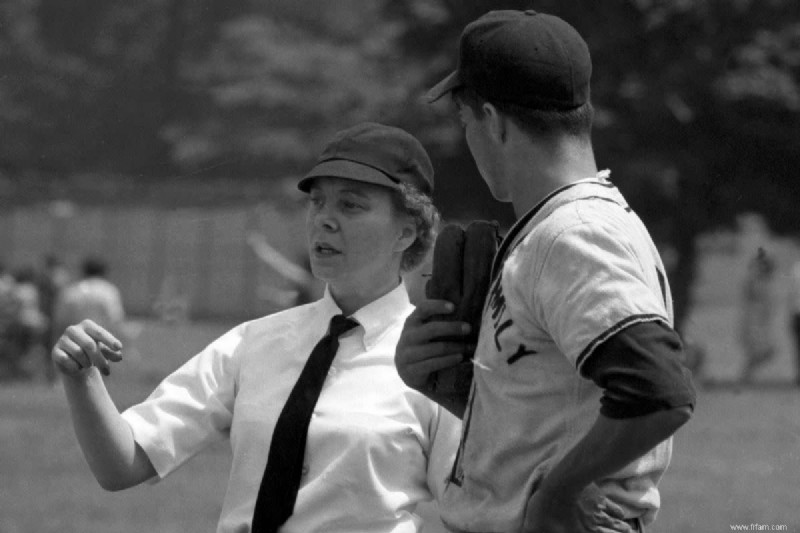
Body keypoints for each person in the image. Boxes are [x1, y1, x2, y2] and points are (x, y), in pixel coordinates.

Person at [51, 122, 461, 533]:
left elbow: (477, 510)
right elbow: (123, 464)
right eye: (317, 202)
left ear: (408, 231)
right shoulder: (256, 341)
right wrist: (81, 377)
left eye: (350, 206)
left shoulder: (436, 360)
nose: (324, 220)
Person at [395, 10, 696, 533]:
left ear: (492, 120)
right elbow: (557, 421)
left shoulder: (572, 234)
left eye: (465, 120)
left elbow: (659, 391)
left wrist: (561, 490)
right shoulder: (562, 227)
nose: (469, 137)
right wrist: (449, 385)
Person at [53, 256, 126, 341]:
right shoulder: (108, 291)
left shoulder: (71, 291)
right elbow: (116, 319)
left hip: (74, 341)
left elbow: (60, 320)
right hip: (101, 341)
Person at [739, 247, 778, 383]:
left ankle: (746, 376)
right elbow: (751, 298)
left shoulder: (762, 281)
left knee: (765, 351)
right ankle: (746, 376)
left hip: (760, 321)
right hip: (753, 320)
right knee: (761, 351)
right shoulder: (753, 280)